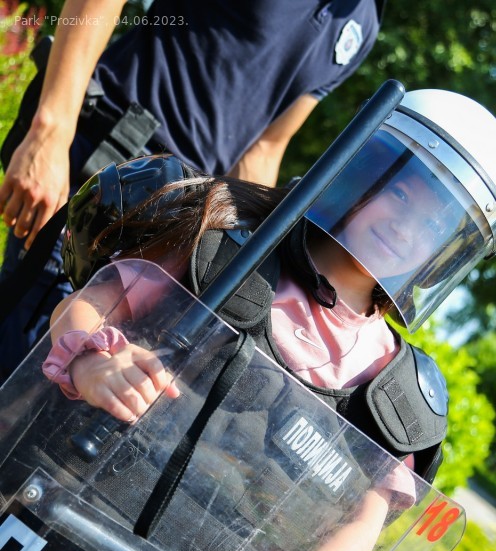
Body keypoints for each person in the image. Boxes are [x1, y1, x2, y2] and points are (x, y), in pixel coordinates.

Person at [41, 88, 496, 551]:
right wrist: (93, 363)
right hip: (61, 525)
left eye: (434, 225)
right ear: (362, 171)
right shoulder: (227, 247)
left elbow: (361, 529)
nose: (406, 228)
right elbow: (93, 303)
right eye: (402, 196)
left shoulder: (396, 396)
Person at [0, 0, 385, 381]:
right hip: (104, 175)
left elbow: (265, 148)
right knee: (24, 359)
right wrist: (50, 130)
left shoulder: (364, 20)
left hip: (177, 227)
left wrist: (248, 274)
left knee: (82, 391)